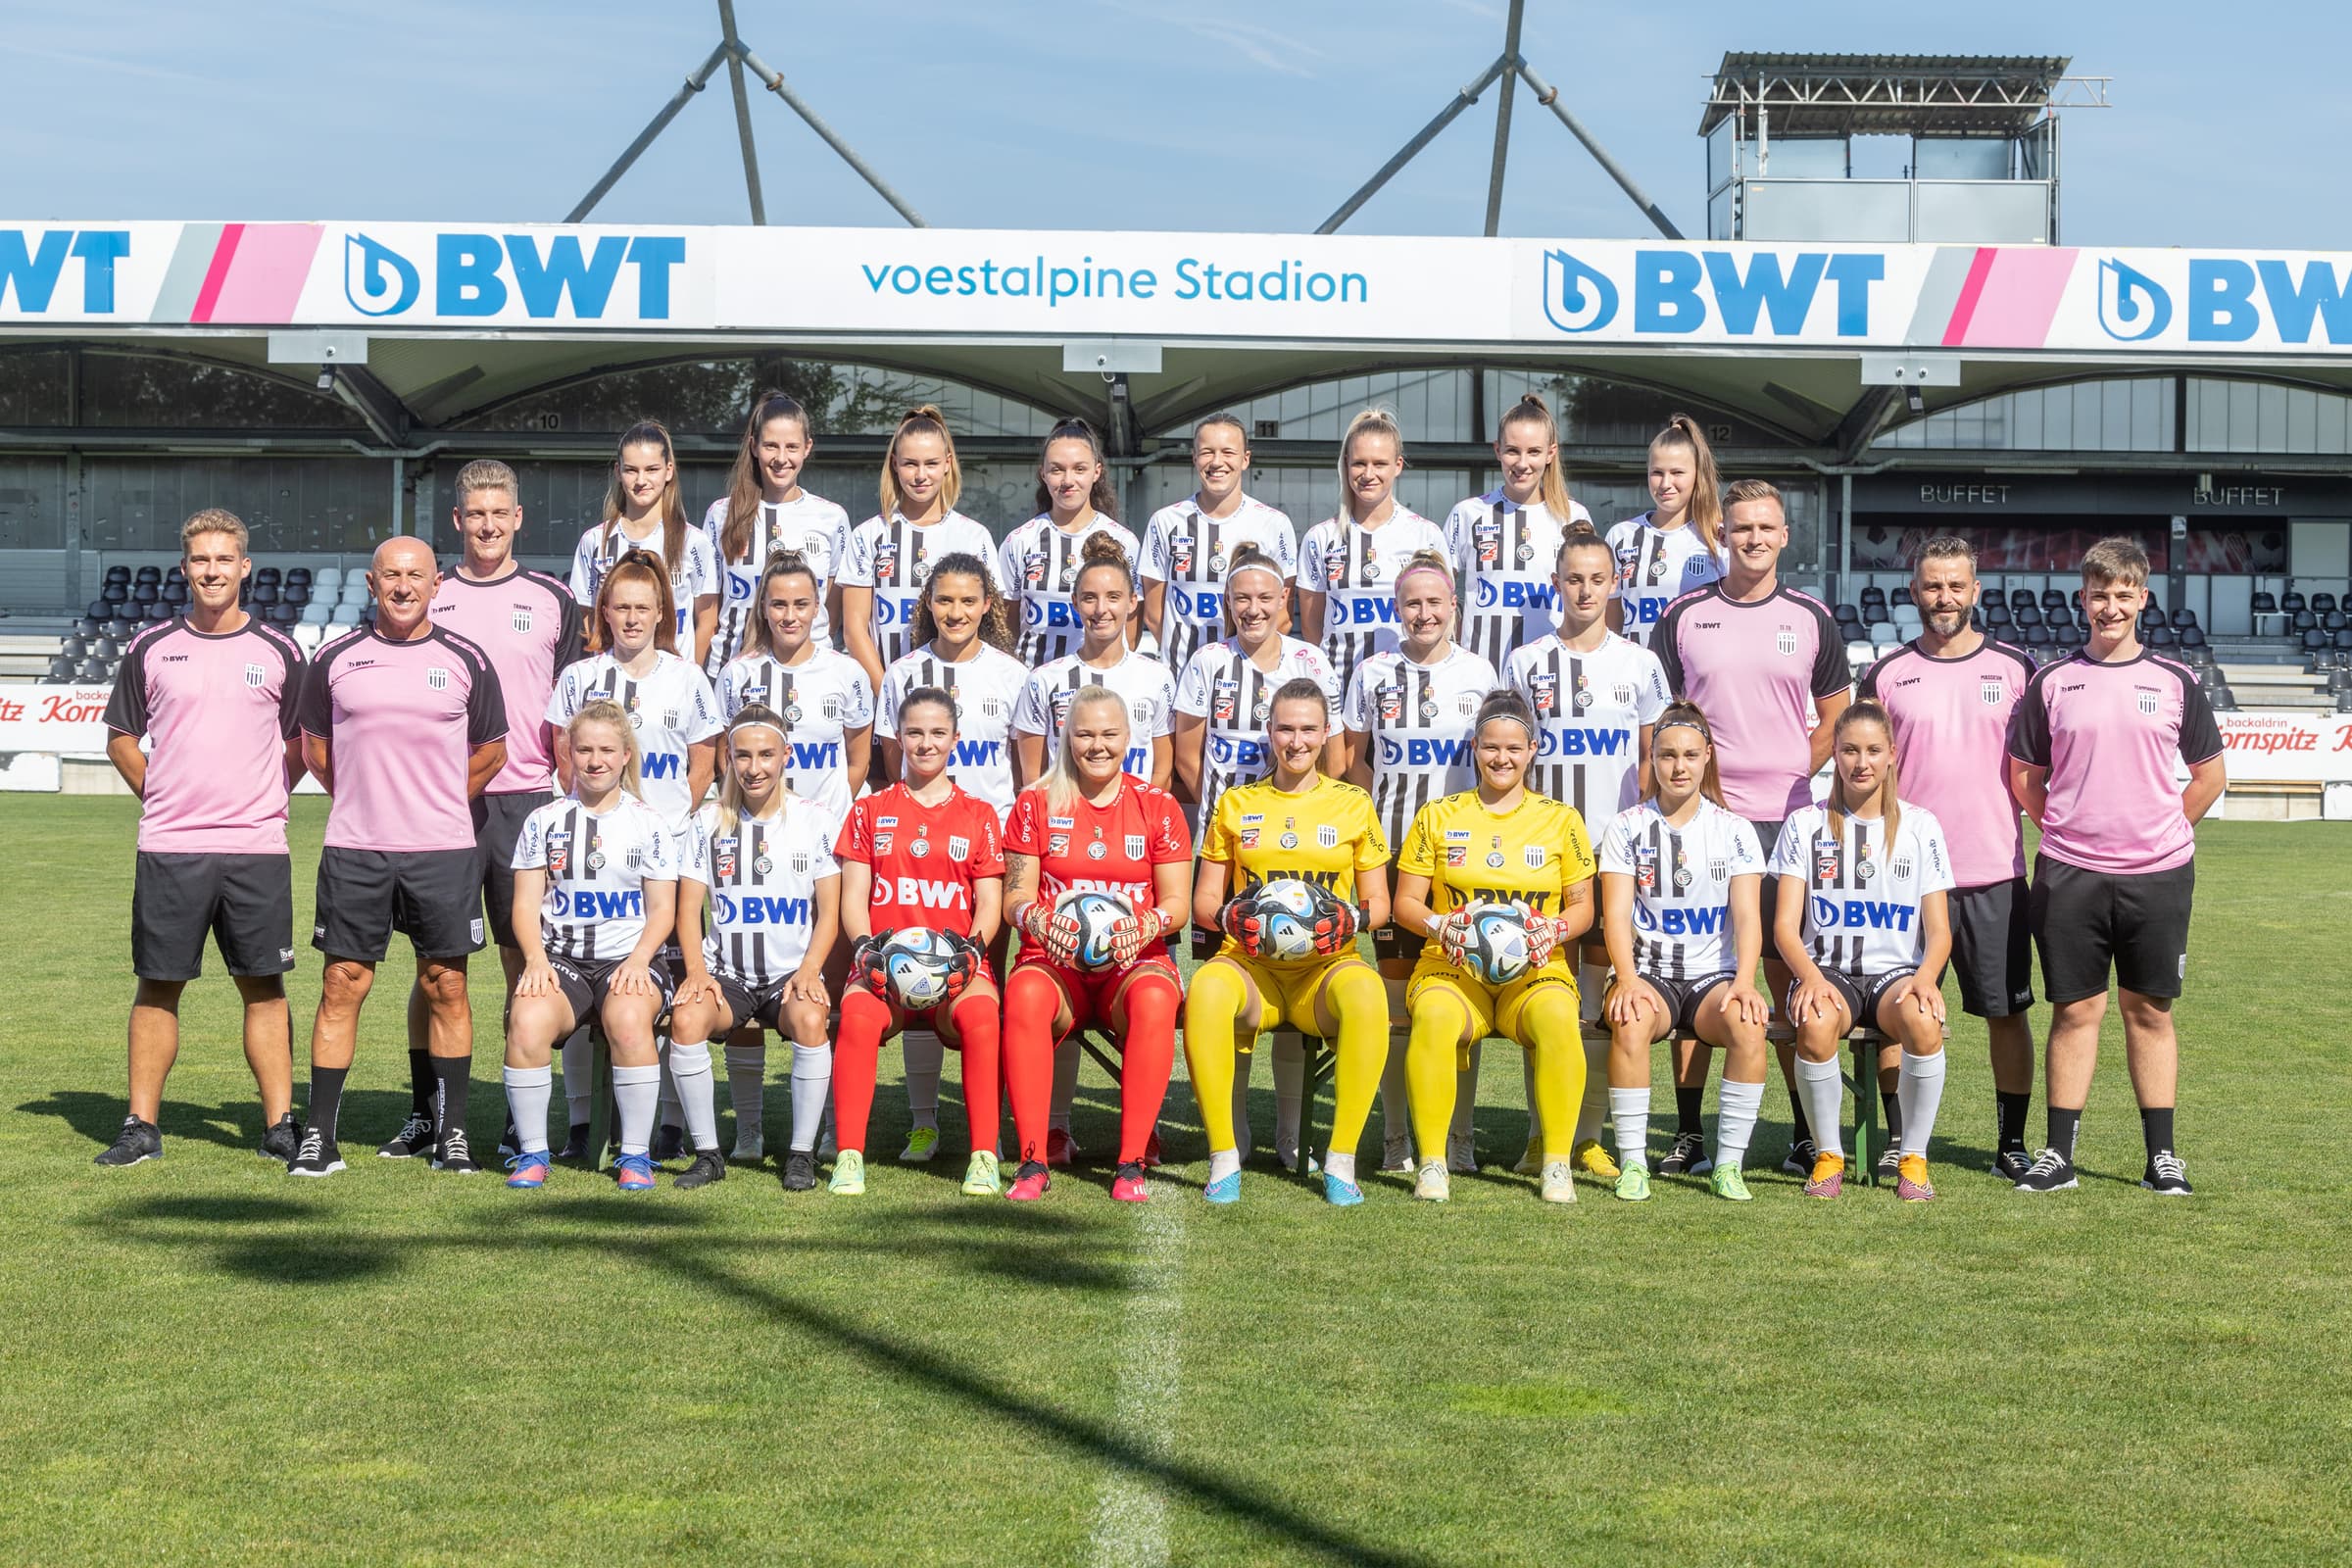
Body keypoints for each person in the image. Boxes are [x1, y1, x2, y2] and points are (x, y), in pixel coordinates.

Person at [2006, 537, 2226, 1197]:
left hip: (2157, 876)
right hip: (2070, 874)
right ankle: (2058, 1154)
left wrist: (2158, 833)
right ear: (2083, 599)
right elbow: (2023, 778)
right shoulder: (2052, 681)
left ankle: (2162, 1157)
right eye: (2098, 594)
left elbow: (2210, 777)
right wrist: (2067, 831)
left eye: (2122, 594)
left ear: (2142, 599)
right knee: (2074, 1012)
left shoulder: (2175, 682)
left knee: (2150, 1010)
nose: (2109, 606)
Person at [383, 460, 584, 1165]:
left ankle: (505, 1114)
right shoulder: (428, 594)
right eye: (476, 513)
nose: (489, 524)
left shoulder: (555, 598)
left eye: (501, 512)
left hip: (525, 803)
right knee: (433, 965)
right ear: (457, 521)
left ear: (518, 518)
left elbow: (569, 710)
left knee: (517, 959)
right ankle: (425, 1114)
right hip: (439, 804)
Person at [290, 535, 508, 1176]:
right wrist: (367, 797)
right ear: (371, 582)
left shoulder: (468, 659)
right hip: (356, 850)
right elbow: (314, 749)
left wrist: (434, 800)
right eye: (392, 576)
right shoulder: (334, 658)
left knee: (446, 985)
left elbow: (491, 752)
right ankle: (319, 1137)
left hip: (442, 851)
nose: (404, 586)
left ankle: (454, 1135)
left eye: (416, 575)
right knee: (341, 984)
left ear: (437, 583)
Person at [96, 509, 307, 1167]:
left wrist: (268, 794)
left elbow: (302, 743)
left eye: (224, 560)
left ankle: (279, 1125)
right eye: (200, 561)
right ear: (185, 568)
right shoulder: (152, 647)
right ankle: (140, 1127)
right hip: (171, 846)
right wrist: (161, 795)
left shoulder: (280, 650)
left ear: (245, 567)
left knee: (264, 986)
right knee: (159, 984)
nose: (212, 571)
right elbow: (122, 740)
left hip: (255, 848)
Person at [1653, 478, 1849, 1174]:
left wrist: (1793, 773)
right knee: (1700, 973)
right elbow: (1668, 724)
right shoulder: (1682, 616)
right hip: (1704, 826)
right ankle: (1689, 1134)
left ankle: (1802, 1133)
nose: (1753, 539)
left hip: (1788, 826)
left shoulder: (1813, 618)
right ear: (1722, 536)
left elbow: (1834, 719)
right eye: (1741, 529)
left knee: (1788, 975)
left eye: (1766, 528)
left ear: (1784, 535)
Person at [1859, 535, 2039, 1180]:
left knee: (2006, 1012)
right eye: (1932, 586)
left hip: (1992, 872)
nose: (1944, 597)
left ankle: (2010, 1143)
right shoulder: (1885, 674)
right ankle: (1900, 1138)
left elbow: (2039, 769)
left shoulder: (2018, 670)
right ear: (1914, 593)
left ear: (1976, 592)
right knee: (1890, 1011)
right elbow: (1866, 773)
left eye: (1955, 586)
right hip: (1902, 878)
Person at [1504, 527, 1671, 1179]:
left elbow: (1651, 761)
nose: (1585, 590)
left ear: (1614, 584)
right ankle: (1543, 1131)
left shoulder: (1639, 663)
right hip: (1543, 854)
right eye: (1573, 579)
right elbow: (1510, 753)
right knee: (1543, 992)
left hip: (1616, 855)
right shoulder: (1525, 661)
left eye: (1597, 579)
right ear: (1557, 584)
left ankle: (1592, 1135)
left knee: (1604, 997)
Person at [1184, 679, 1391, 1205]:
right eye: (1284, 728)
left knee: (1368, 996)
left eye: (1307, 729)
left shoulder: (1353, 803)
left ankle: (1340, 1160)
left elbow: (1380, 904)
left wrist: (1347, 917)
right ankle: (1224, 1155)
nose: (1295, 741)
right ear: (1269, 733)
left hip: (1325, 970)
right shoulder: (1235, 803)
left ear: (1326, 735)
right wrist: (1236, 914)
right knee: (1206, 989)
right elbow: (1204, 901)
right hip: (1252, 968)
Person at [545, 550, 721, 1154]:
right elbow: (563, 758)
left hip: (665, 856)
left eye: (642, 607)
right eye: (620, 606)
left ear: (661, 613)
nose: (631, 617)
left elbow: (703, 763)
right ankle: (577, 1126)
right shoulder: (578, 678)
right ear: (604, 611)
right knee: (577, 987)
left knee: (660, 993)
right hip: (592, 856)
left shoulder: (687, 678)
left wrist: (657, 825)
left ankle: (664, 1126)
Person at [1392, 691, 1596, 1204]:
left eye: (1512, 748)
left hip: (1535, 970)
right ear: (1475, 749)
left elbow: (1582, 908)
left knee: (1557, 1021)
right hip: (1452, 969)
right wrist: (1443, 928)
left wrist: (1552, 932)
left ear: (1532, 749)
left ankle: (1555, 1164)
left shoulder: (1561, 819)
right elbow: (1405, 904)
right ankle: (1434, 1162)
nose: (1500, 759)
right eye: (1489, 747)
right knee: (1435, 1019)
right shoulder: (1438, 815)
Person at [999, 687, 1192, 1203]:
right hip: (1053, 961)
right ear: (1067, 736)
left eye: (1109, 734)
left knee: (1155, 999)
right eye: (1085, 734)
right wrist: (1035, 917)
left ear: (1129, 738)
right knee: (1025, 997)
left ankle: (1131, 1162)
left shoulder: (1158, 806)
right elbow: (1013, 896)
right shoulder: (1035, 802)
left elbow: (1179, 903)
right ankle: (1032, 1159)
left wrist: (1147, 925)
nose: (1097, 745)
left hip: (1132, 963)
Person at [1339, 550, 1496, 1173]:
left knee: (1463, 1000)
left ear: (1454, 606)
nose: (1424, 613)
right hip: (1395, 858)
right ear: (1396, 609)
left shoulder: (1481, 672)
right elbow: (1353, 760)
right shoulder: (1372, 672)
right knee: (1398, 1007)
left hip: (1464, 864)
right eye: (1412, 603)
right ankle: (1397, 1139)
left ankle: (1460, 1138)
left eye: (1436, 602)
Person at [873, 553, 1031, 1154]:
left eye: (969, 601)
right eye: (945, 600)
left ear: (987, 605)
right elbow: (895, 768)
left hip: (989, 852)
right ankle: (923, 1119)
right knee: (916, 972)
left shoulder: (1012, 675)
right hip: (920, 853)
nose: (956, 611)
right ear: (928, 605)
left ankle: (988, 1127)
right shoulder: (902, 673)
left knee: (981, 982)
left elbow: (1025, 771)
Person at [1771, 701, 1956, 1201]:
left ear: (1893, 754)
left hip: (1894, 975)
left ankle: (1913, 1159)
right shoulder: (1804, 826)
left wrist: (1925, 979)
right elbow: (1786, 926)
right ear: (1834, 752)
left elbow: (1938, 930)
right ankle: (1829, 1155)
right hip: (1826, 970)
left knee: (1922, 1020)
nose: (1861, 762)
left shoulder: (1921, 827)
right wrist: (1809, 978)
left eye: (1874, 750)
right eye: (1850, 750)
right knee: (1814, 1023)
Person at [831, 686, 1007, 1197]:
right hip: (884, 967)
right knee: (859, 1019)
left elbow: (989, 902)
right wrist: (865, 949)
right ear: (898, 738)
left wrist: (972, 951)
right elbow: (854, 895)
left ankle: (982, 1154)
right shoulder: (869, 811)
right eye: (914, 733)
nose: (925, 743)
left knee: (981, 1017)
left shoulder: (979, 815)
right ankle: (849, 1156)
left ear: (955, 739)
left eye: (936, 733)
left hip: (957, 967)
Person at [498, 703, 678, 1192]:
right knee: (527, 1019)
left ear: (625, 756)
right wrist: (535, 960)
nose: (595, 760)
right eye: (584, 749)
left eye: (606, 750)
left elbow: (663, 910)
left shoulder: (649, 822)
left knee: (627, 1019)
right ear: (568, 753)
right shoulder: (545, 821)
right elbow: (525, 905)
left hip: (631, 958)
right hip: (562, 960)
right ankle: (533, 1153)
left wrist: (640, 960)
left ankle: (635, 1158)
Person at [1595, 703, 1770, 1202]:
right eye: (1667, 755)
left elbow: (1747, 920)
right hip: (1648, 973)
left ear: (1707, 757)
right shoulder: (1627, 826)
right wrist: (1625, 979)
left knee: (1748, 1022)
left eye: (1690, 755)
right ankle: (1633, 1165)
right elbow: (1618, 916)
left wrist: (1744, 982)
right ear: (1653, 759)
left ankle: (1728, 1166)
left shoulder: (1733, 830)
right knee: (1629, 1020)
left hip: (1713, 977)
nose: (1679, 767)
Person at [666, 705, 843, 1191]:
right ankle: (707, 1154)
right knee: (686, 1019)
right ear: (728, 757)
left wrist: (810, 971)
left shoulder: (815, 820)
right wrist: (697, 973)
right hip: (729, 974)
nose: (755, 767)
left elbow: (829, 912)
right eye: (743, 755)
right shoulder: (707, 823)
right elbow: (688, 911)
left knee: (810, 1019)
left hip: (790, 971)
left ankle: (801, 1155)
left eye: (766, 755)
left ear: (786, 755)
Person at [1172, 547, 1342, 830]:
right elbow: (1187, 757)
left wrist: (1298, 808)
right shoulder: (1207, 660)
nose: (1253, 610)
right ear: (1228, 599)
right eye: (1242, 598)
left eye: (1264, 598)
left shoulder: (1312, 661)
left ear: (1283, 598)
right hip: (1224, 830)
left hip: (1294, 827)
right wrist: (1225, 809)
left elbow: (1334, 760)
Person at [838, 406, 1003, 692]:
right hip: (884, 696)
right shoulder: (868, 535)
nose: (920, 475)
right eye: (910, 464)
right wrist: (888, 693)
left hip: (957, 695)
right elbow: (854, 631)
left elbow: (988, 624)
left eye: (931, 463)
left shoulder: (973, 536)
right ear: (894, 464)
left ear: (947, 463)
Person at [717, 551, 873, 830]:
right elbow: (727, 757)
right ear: (763, 608)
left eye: (801, 605)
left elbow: (859, 762)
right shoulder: (737, 674)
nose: (790, 616)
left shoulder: (848, 673)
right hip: (759, 827)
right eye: (779, 605)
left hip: (827, 833)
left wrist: (824, 817)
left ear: (817, 608)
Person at [1297, 408, 1448, 691]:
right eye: (1359, 463)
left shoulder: (1425, 534)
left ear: (1398, 465)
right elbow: (1312, 629)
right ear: (1345, 463)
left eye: (1379, 464)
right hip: (1338, 690)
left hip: (1408, 687)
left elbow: (1443, 617)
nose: (1368, 474)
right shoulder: (1320, 538)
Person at [1013, 533, 1176, 791]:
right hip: (1065, 823)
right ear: (1075, 603)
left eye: (1113, 597)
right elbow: (1033, 778)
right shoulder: (1043, 680)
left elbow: (1162, 770)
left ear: (1132, 602)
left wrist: (1140, 815)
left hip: (1134, 824)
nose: (1101, 609)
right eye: (1090, 598)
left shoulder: (1157, 677)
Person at [703, 391, 849, 678]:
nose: (782, 458)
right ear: (754, 446)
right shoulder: (721, 514)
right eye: (771, 446)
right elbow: (709, 610)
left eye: (792, 447)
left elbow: (828, 614)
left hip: (811, 675)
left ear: (807, 447)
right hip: (731, 672)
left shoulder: (831, 518)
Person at [1445, 392, 1594, 668]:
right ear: (1497, 450)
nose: (1522, 463)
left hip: (1553, 671)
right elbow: (1436, 592)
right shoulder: (1467, 513)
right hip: (1481, 673)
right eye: (1513, 450)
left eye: (1534, 452)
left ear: (1551, 453)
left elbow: (1591, 599)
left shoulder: (1574, 516)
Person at [1139, 414, 1298, 673]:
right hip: (1182, 675)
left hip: (1249, 674)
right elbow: (1154, 615)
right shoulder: (1165, 521)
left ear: (1245, 459)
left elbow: (1283, 615)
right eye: (1206, 452)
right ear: (1194, 458)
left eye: (1227, 452)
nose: (1216, 462)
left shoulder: (1274, 524)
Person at [568, 420, 720, 665]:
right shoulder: (595, 541)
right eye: (631, 470)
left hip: (673, 683)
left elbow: (707, 621)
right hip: (612, 679)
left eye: (651, 469)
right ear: (618, 472)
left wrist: (692, 676)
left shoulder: (694, 541)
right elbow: (585, 620)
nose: (641, 480)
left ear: (668, 470)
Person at [997, 417, 1142, 667]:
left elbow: (1130, 629)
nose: (1068, 480)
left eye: (1079, 469)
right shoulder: (1020, 541)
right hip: (1033, 684)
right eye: (1057, 469)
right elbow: (1007, 626)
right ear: (1043, 473)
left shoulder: (1124, 541)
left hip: (1098, 691)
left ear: (1097, 471)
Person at [1606, 415, 1725, 650]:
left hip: (1698, 680)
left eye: (1677, 473)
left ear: (1697, 475)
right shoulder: (1621, 536)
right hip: (1636, 679)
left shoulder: (1719, 537)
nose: (1665, 484)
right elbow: (1612, 627)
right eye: (1657, 472)